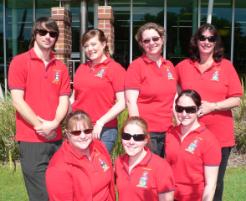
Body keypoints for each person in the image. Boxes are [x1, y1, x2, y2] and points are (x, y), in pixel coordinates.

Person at [175, 23, 243, 201]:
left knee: (215, 183)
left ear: (216, 42)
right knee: (190, 180)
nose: (206, 42)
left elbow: (237, 98)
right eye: (202, 38)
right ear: (196, 41)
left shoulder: (226, 67)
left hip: (219, 137)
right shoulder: (183, 67)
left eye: (211, 38)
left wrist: (213, 106)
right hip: (189, 136)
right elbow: (173, 93)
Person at [8, 17, 70, 201]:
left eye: (52, 34)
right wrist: (40, 126)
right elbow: (18, 101)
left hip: (56, 138)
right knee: (41, 194)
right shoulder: (19, 62)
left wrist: (55, 124)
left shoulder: (61, 67)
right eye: (42, 32)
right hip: (31, 139)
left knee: (59, 191)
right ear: (34, 34)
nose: (47, 36)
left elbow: (64, 100)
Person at [125, 22, 177, 157]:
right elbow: (131, 102)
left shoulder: (169, 66)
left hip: (169, 131)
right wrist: (139, 132)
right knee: (148, 173)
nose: (151, 43)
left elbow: (174, 98)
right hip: (148, 133)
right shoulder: (136, 66)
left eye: (155, 38)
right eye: (146, 40)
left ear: (162, 40)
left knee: (166, 173)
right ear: (141, 44)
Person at [71, 29, 126, 153]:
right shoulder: (81, 68)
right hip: (80, 129)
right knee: (80, 169)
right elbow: (74, 98)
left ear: (104, 43)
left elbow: (122, 102)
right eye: (86, 46)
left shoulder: (115, 69)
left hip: (104, 130)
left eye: (93, 44)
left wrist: (101, 122)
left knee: (98, 168)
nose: (90, 49)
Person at [46, 110, 115, 201]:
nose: (83, 136)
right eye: (76, 132)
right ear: (67, 133)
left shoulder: (99, 147)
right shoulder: (58, 167)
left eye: (87, 131)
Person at [166, 89, 221, 201]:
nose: (184, 114)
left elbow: (211, 185)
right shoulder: (170, 134)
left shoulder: (209, 140)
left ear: (198, 110)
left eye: (190, 110)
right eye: (180, 109)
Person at [115, 116, 174, 201]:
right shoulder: (119, 162)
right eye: (126, 136)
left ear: (146, 140)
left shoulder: (161, 166)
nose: (131, 142)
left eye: (138, 138)